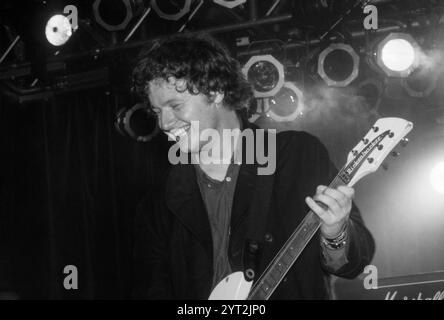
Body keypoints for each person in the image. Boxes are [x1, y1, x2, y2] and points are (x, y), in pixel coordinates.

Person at [131, 33, 375, 299]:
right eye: (157, 112)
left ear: (214, 91)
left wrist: (335, 232)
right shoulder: (160, 200)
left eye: (175, 105)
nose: (165, 123)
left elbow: (351, 264)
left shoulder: (295, 155)